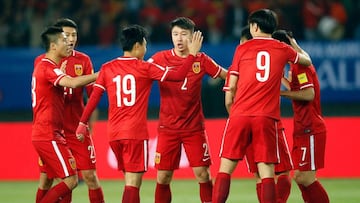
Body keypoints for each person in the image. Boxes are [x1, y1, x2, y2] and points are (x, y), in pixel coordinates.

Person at [75, 24, 203, 203]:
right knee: (133, 183)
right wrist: (192, 54)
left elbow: (94, 98)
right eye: (144, 43)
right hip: (135, 133)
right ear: (137, 45)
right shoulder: (144, 68)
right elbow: (179, 75)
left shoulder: (107, 68)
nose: (146, 48)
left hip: (114, 134)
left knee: (128, 180)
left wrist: (82, 124)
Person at [212, 9, 312, 203]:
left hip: (239, 115)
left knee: (225, 169)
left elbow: (231, 86)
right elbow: (306, 61)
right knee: (267, 171)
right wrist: (296, 48)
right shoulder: (282, 49)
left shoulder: (242, 48)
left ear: (255, 26)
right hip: (266, 117)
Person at [147, 17, 227, 203]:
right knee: (163, 177)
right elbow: (141, 71)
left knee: (203, 174)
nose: (179, 38)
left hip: (194, 128)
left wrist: (246, 75)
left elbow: (226, 75)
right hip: (168, 129)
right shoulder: (160, 58)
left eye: (184, 34)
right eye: (175, 34)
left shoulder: (202, 59)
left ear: (193, 37)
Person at [34, 18, 105, 203]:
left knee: (88, 176)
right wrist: (103, 73)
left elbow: (93, 94)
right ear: (55, 42)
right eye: (66, 36)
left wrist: (87, 123)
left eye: (74, 35)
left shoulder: (83, 60)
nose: (70, 40)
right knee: (50, 179)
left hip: (74, 131)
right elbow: (58, 88)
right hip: (52, 132)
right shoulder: (44, 63)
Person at [231, 25, 294, 203]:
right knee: (281, 172)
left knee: (259, 174)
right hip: (268, 121)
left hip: (243, 122)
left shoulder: (239, 66)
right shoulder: (270, 60)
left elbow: (229, 98)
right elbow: (291, 84)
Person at [274, 29, 330, 203]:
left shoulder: (299, 66)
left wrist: (280, 94)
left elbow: (308, 94)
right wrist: (281, 80)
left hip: (310, 128)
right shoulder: (298, 61)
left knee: (305, 178)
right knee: (299, 177)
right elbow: (298, 87)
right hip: (302, 127)